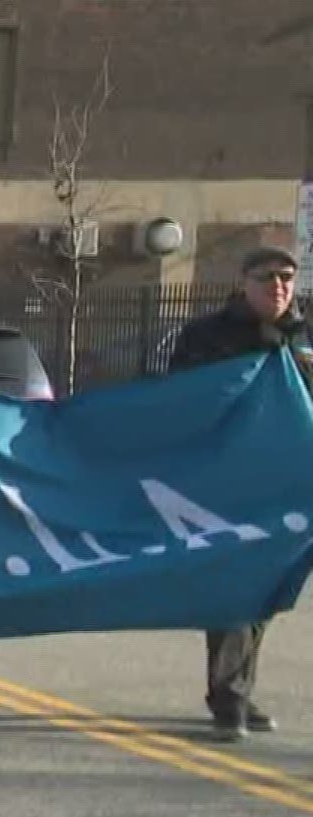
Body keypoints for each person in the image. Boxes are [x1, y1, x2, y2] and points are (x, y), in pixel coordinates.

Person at [164, 246, 311, 742]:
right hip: (228, 485)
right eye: (267, 276)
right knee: (235, 587)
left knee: (267, 594)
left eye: (287, 277)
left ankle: (237, 690)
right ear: (243, 282)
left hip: (290, 487)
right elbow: (179, 402)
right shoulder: (208, 337)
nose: (279, 285)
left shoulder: (304, 337)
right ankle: (229, 699)